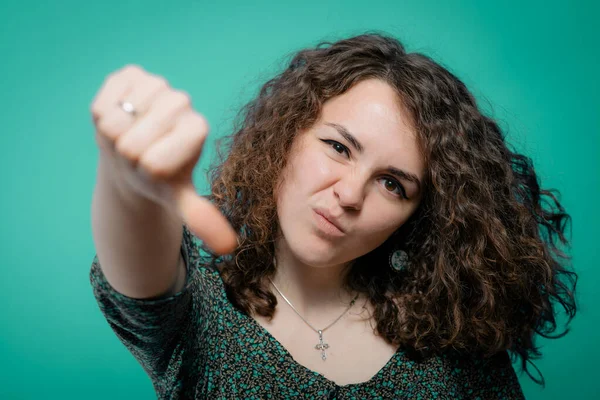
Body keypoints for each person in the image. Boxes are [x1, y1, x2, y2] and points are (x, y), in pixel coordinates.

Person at [89, 33, 577, 399]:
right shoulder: (198, 308)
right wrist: (124, 176)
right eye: (339, 147)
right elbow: (138, 266)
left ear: (418, 215)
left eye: (392, 183)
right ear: (287, 138)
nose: (349, 194)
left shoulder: (454, 345)